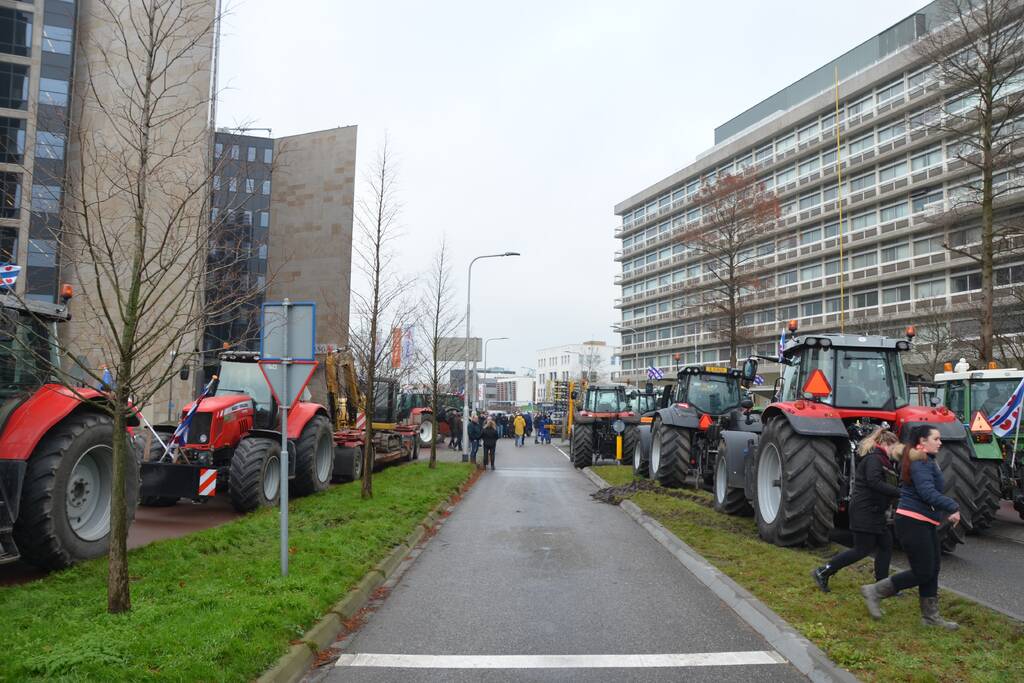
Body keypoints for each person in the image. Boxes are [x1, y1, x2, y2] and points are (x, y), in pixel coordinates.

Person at [860, 424, 961, 629]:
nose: (940, 442)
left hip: (924, 521)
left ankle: (930, 618)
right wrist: (952, 506)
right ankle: (875, 591)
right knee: (922, 571)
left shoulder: (926, 460)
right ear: (922, 442)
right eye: (936, 439)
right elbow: (926, 493)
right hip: (912, 521)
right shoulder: (921, 463)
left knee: (932, 569)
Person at [812, 428, 900, 592]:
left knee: (886, 544)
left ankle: (882, 586)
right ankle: (823, 570)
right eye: (895, 447)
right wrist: (899, 493)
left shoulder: (881, 460)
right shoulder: (874, 460)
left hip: (874, 512)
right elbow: (874, 483)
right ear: (886, 444)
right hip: (865, 511)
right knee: (861, 550)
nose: (897, 451)